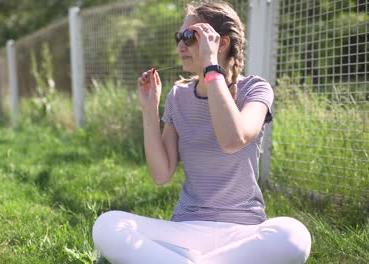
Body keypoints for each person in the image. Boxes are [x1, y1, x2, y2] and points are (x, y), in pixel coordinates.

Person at [92, 1, 311, 263]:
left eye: (190, 36)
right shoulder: (179, 96)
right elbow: (161, 174)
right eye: (179, 37)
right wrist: (149, 110)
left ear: (222, 43)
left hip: (244, 232)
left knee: (294, 235)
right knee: (107, 224)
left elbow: (233, 139)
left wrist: (210, 66)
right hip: (187, 228)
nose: (180, 45)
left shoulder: (256, 89)